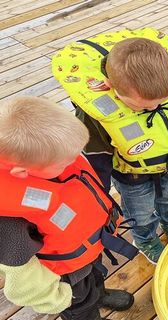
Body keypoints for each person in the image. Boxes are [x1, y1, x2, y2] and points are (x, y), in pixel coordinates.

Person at [52, 28, 168, 264]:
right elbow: (96, 160)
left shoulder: (162, 89)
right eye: (142, 106)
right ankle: (145, 239)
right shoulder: (97, 113)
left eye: (160, 102)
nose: (153, 109)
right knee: (140, 212)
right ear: (110, 85)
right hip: (132, 176)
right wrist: (101, 199)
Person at [0, 97, 139, 320]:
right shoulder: (8, 219)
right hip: (67, 278)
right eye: (65, 163)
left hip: (88, 249)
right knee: (83, 310)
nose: (74, 162)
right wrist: (58, 298)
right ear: (21, 172)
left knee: (94, 278)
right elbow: (21, 278)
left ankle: (99, 294)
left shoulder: (49, 156)